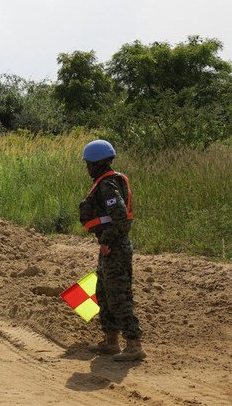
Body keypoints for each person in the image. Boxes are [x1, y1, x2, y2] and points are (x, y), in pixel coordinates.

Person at [78, 139, 146, 361]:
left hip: (114, 246)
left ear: (97, 164)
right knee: (103, 293)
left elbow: (120, 217)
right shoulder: (107, 182)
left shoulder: (107, 185)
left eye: (89, 164)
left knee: (118, 295)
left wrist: (106, 240)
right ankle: (111, 341)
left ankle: (134, 345)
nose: (87, 168)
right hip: (110, 245)